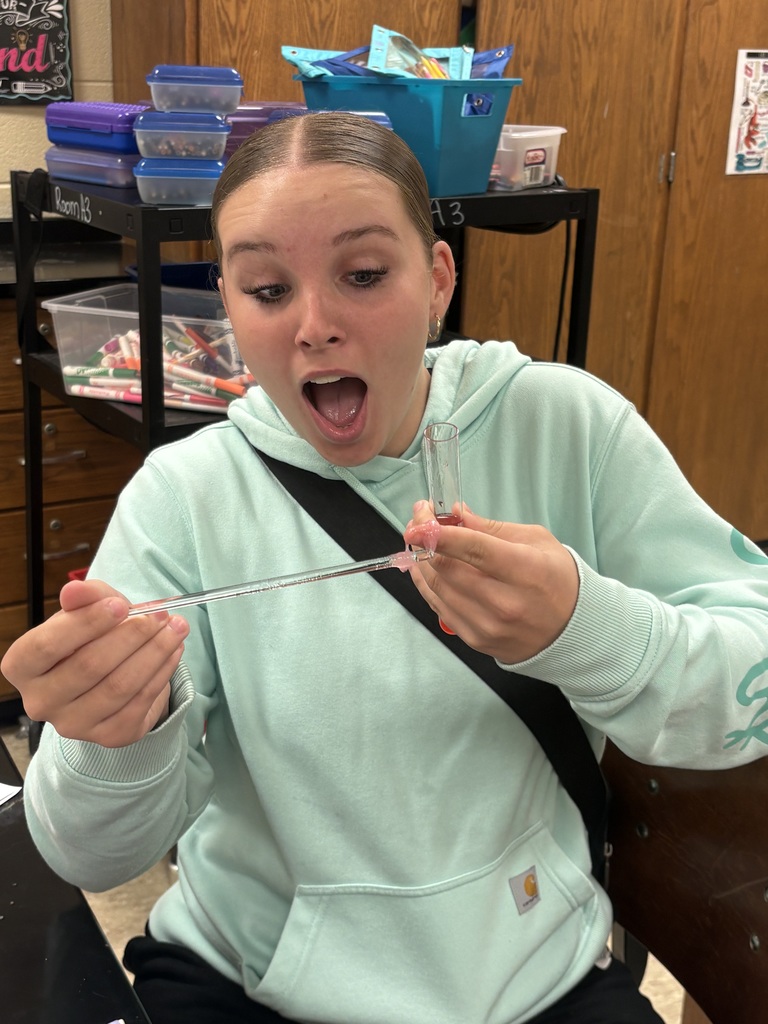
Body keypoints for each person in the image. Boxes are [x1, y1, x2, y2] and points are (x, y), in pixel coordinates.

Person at [3, 111, 768, 1024]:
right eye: (267, 288)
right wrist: (109, 742)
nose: (316, 326)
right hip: (251, 984)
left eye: (363, 276)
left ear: (439, 277)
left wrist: (585, 629)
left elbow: (749, 677)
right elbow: (88, 855)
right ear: (230, 305)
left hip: (534, 976)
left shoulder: (571, 428)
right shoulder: (185, 495)